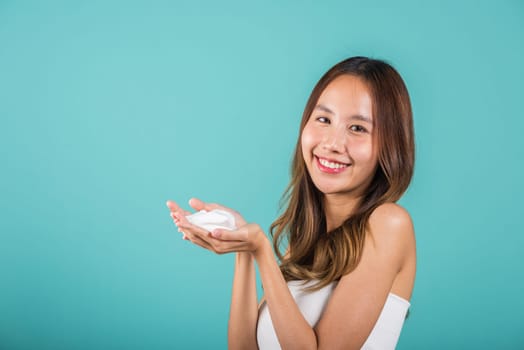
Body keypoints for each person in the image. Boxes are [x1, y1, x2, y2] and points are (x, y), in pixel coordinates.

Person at [166, 56, 416, 350]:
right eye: (323, 119)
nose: (332, 143)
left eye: (358, 128)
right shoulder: (304, 242)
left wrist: (261, 250)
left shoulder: (389, 224)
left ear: (390, 145)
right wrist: (243, 249)